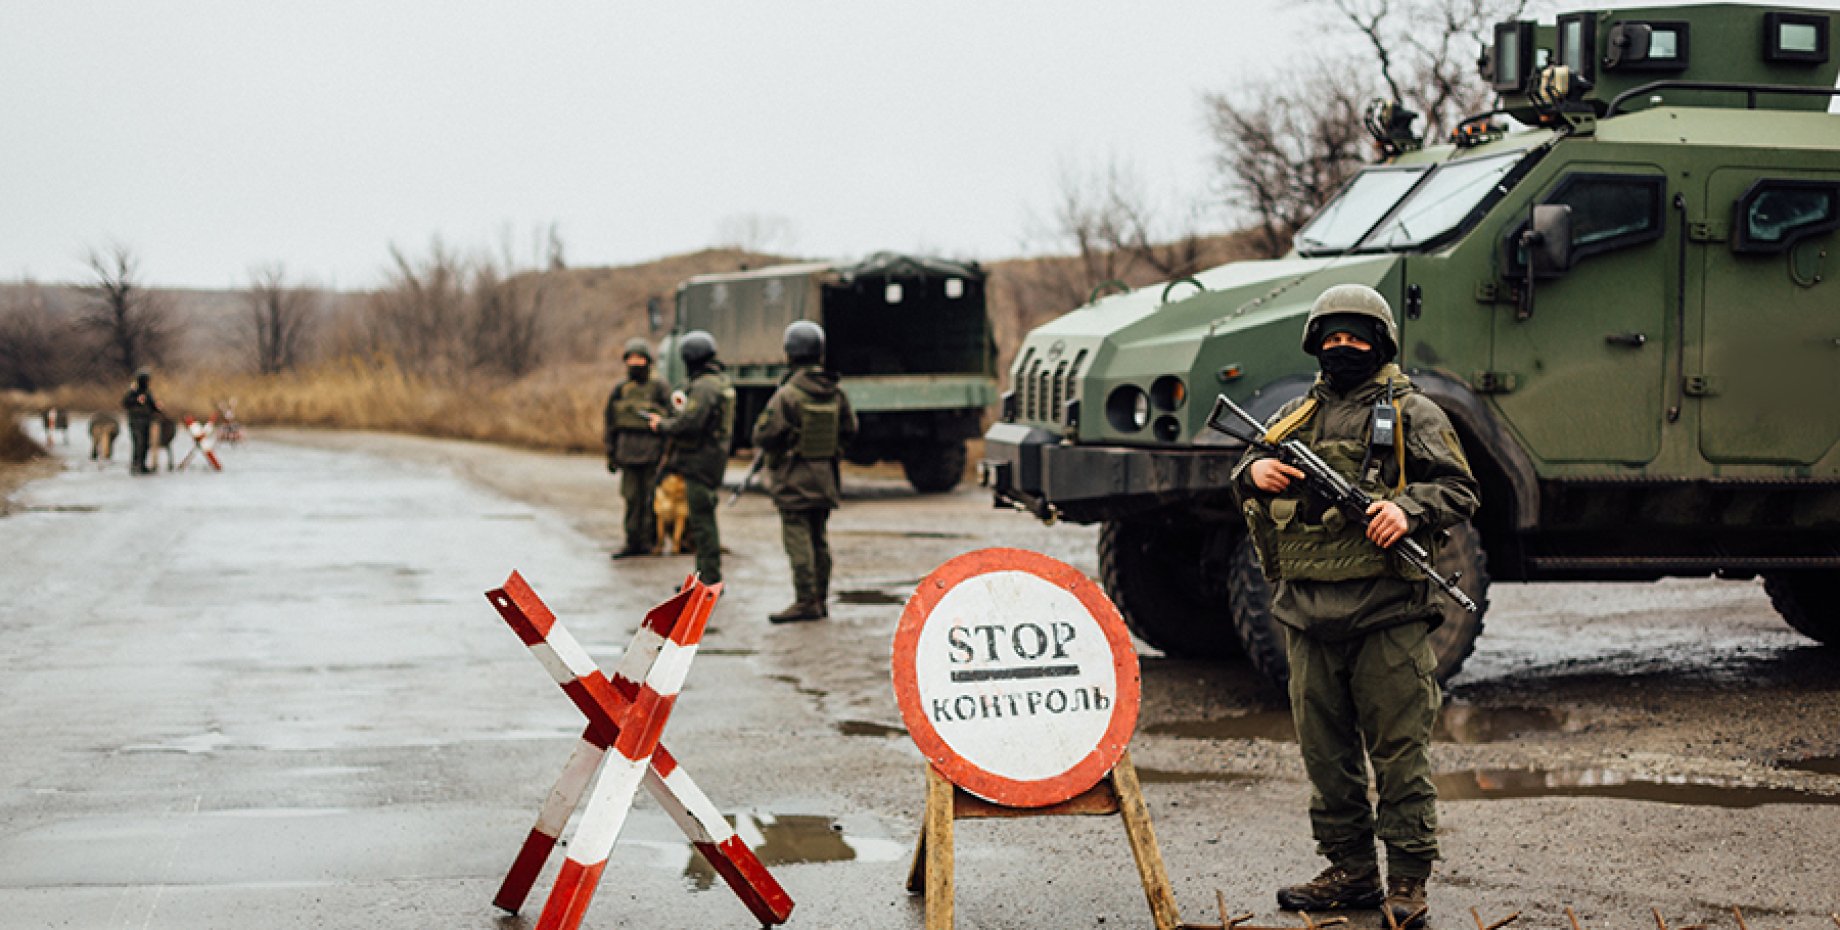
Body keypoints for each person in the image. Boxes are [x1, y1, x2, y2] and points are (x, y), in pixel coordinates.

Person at [1233, 284, 1479, 928]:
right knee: (1326, 754)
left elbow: (1459, 488)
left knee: (1400, 753)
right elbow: (1248, 466)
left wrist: (1406, 508)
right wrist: (1252, 474)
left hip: (1388, 613)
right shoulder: (1293, 416)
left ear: (1381, 342)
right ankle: (1349, 871)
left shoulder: (1413, 412)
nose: (1345, 346)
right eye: (1333, 336)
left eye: (1357, 336)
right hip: (1307, 612)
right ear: (1316, 342)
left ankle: (1406, 882)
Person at [752, 320, 857, 623]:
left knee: (798, 539)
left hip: (793, 478)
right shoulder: (835, 392)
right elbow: (850, 430)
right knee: (819, 539)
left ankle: (805, 600)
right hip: (825, 478)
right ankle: (820, 600)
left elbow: (764, 434)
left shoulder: (788, 394)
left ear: (790, 353)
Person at [647, 330, 735, 584]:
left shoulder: (704, 386)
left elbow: (691, 423)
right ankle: (707, 575)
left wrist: (662, 425)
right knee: (702, 520)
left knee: (702, 523)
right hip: (711, 458)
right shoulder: (717, 382)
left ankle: (708, 579)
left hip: (700, 460)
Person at [604, 338, 673, 558]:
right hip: (627, 454)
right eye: (631, 359)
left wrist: (667, 453)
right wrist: (611, 453)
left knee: (651, 500)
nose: (635, 363)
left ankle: (650, 542)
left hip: (652, 454)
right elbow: (611, 423)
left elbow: (671, 420)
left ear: (648, 361)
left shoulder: (659, 387)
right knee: (631, 499)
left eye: (639, 358)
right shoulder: (621, 389)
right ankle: (632, 542)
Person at [122, 369, 161, 476]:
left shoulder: (147, 393)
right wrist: (136, 400)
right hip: (135, 421)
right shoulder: (133, 393)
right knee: (138, 443)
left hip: (146, 421)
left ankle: (142, 465)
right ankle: (135, 465)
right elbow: (125, 403)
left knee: (145, 443)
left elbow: (153, 406)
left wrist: (158, 407)